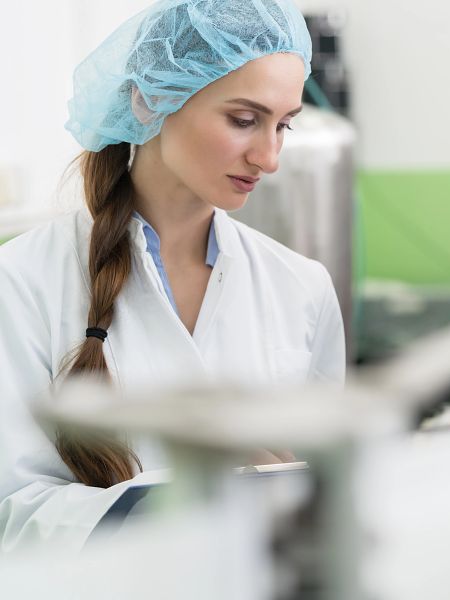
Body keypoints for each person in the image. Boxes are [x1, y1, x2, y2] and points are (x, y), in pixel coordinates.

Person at [0, 0, 345, 552]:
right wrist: (195, 498)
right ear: (151, 98)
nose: (270, 157)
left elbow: (326, 488)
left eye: (284, 125)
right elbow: (10, 514)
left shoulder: (300, 286)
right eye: (243, 120)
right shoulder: (19, 282)